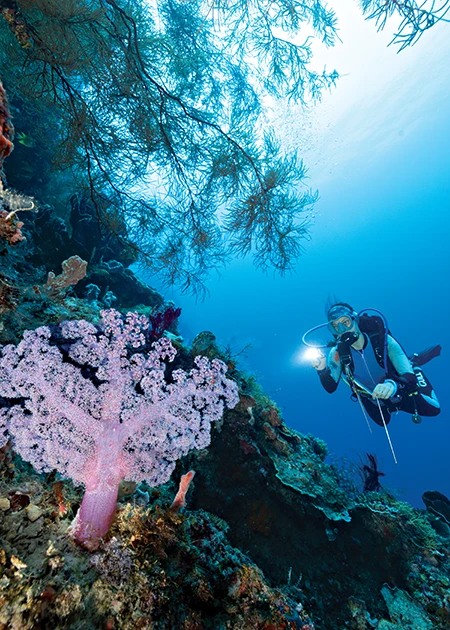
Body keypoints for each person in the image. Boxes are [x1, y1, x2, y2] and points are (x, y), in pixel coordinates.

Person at [311, 302, 440, 426]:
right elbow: (330, 387)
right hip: (374, 398)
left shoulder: (383, 340)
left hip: (401, 390)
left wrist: (392, 384)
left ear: (355, 319)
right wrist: (322, 370)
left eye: (345, 322)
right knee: (382, 422)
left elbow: (409, 378)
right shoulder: (337, 353)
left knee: (434, 409)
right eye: (336, 326)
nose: (343, 329)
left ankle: (414, 363)